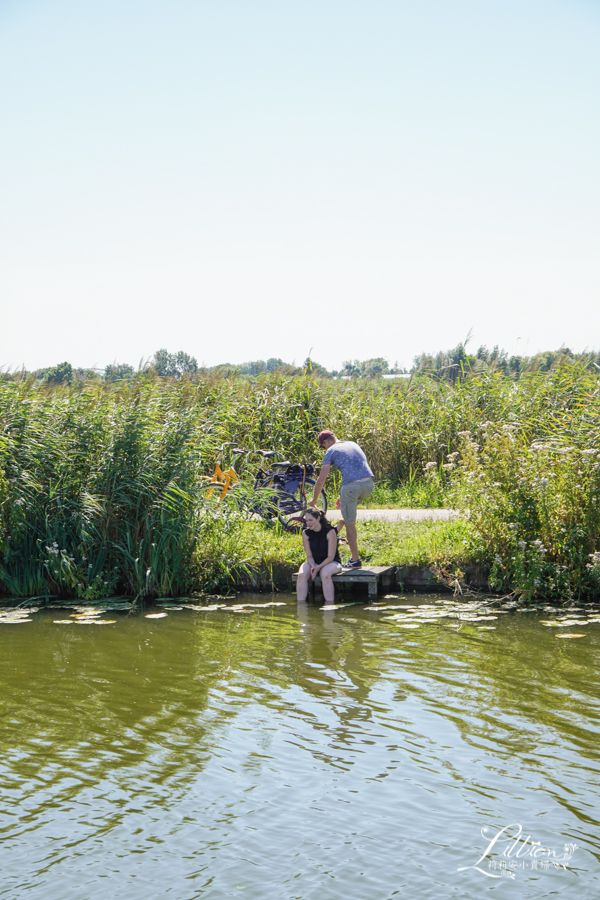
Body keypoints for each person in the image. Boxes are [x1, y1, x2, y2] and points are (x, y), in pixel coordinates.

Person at [310, 430, 374, 569]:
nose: (325, 449)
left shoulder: (331, 451)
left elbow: (320, 481)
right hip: (369, 484)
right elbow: (357, 468)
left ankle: (355, 560)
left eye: (324, 446)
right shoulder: (352, 444)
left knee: (350, 523)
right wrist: (344, 495)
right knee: (348, 513)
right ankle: (343, 519)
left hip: (352, 487)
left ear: (326, 442)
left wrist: (314, 501)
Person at [296, 508, 343, 603]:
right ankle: (301, 606)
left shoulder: (330, 532)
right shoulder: (306, 533)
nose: (308, 523)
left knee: (325, 574)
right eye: (306, 521)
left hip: (332, 562)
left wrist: (319, 567)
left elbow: (330, 557)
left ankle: (330, 605)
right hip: (314, 562)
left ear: (318, 518)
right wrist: (313, 565)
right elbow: (309, 556)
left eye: (311, 520)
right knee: (301, 575)